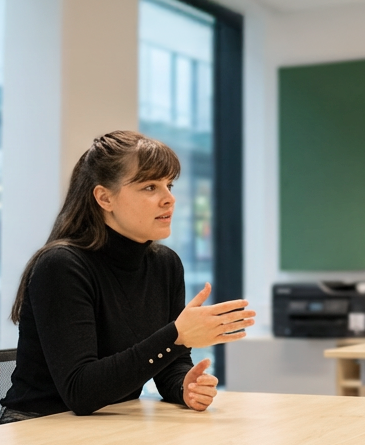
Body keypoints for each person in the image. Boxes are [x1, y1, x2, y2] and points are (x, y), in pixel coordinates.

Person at [0, 130, 255, 423]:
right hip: (39, 429)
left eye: (169, 184)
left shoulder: (165, 265)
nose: (169, 198)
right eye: (150, 187)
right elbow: (80, 391)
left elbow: (169, 366)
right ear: (104, 197)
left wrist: (185, 385)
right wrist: (177, 335)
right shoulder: (61, 266)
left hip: (110, 425)